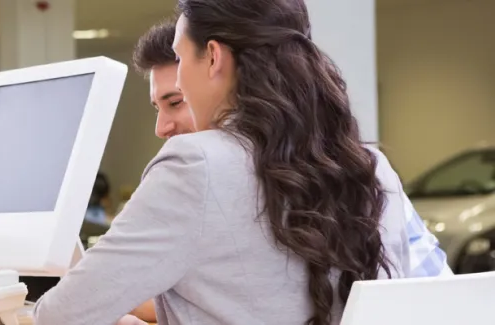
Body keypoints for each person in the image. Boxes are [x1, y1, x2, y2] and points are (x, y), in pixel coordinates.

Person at [34, 0, 416, 324]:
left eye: (181, 59)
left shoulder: (195, 164)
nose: (181, 81)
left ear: (213, 57)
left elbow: (60, 315)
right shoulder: (372, 166)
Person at [133, 19, 451, 279]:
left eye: (177, 101)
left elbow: (438, 291)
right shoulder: (196, 188)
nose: (162, 128)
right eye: (156, 108)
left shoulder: (361, 174)